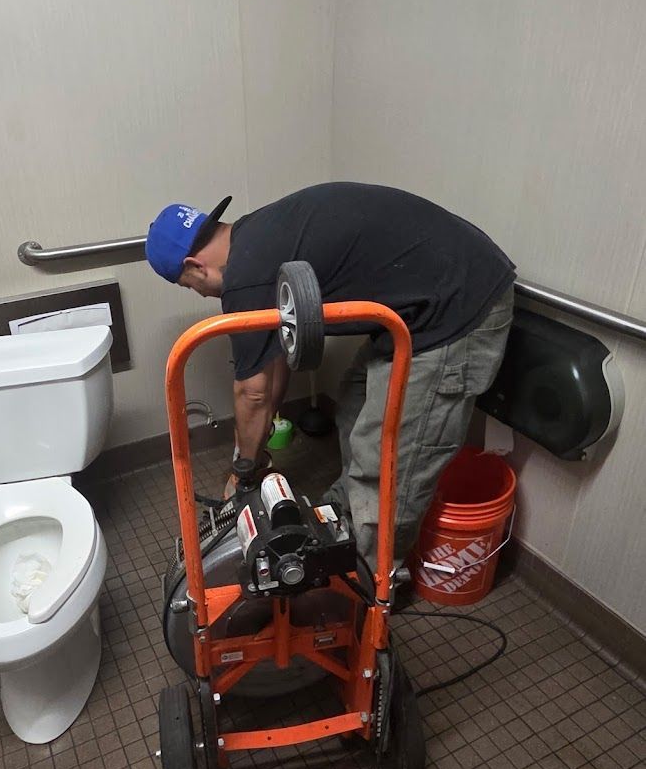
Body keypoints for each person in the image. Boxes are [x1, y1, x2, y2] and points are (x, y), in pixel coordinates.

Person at [145, 183, 515, 570]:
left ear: (194, 266)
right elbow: (275, 364)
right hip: (426, 302)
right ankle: (342, 523)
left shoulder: (246, 278)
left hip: (458, 310)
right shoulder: (254, 235)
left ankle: (370, 584)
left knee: (393, 456)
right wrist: (251, 458)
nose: (202, 295)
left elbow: (253, 392)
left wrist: (245, 471)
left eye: (191, 287)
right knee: (354, 401)